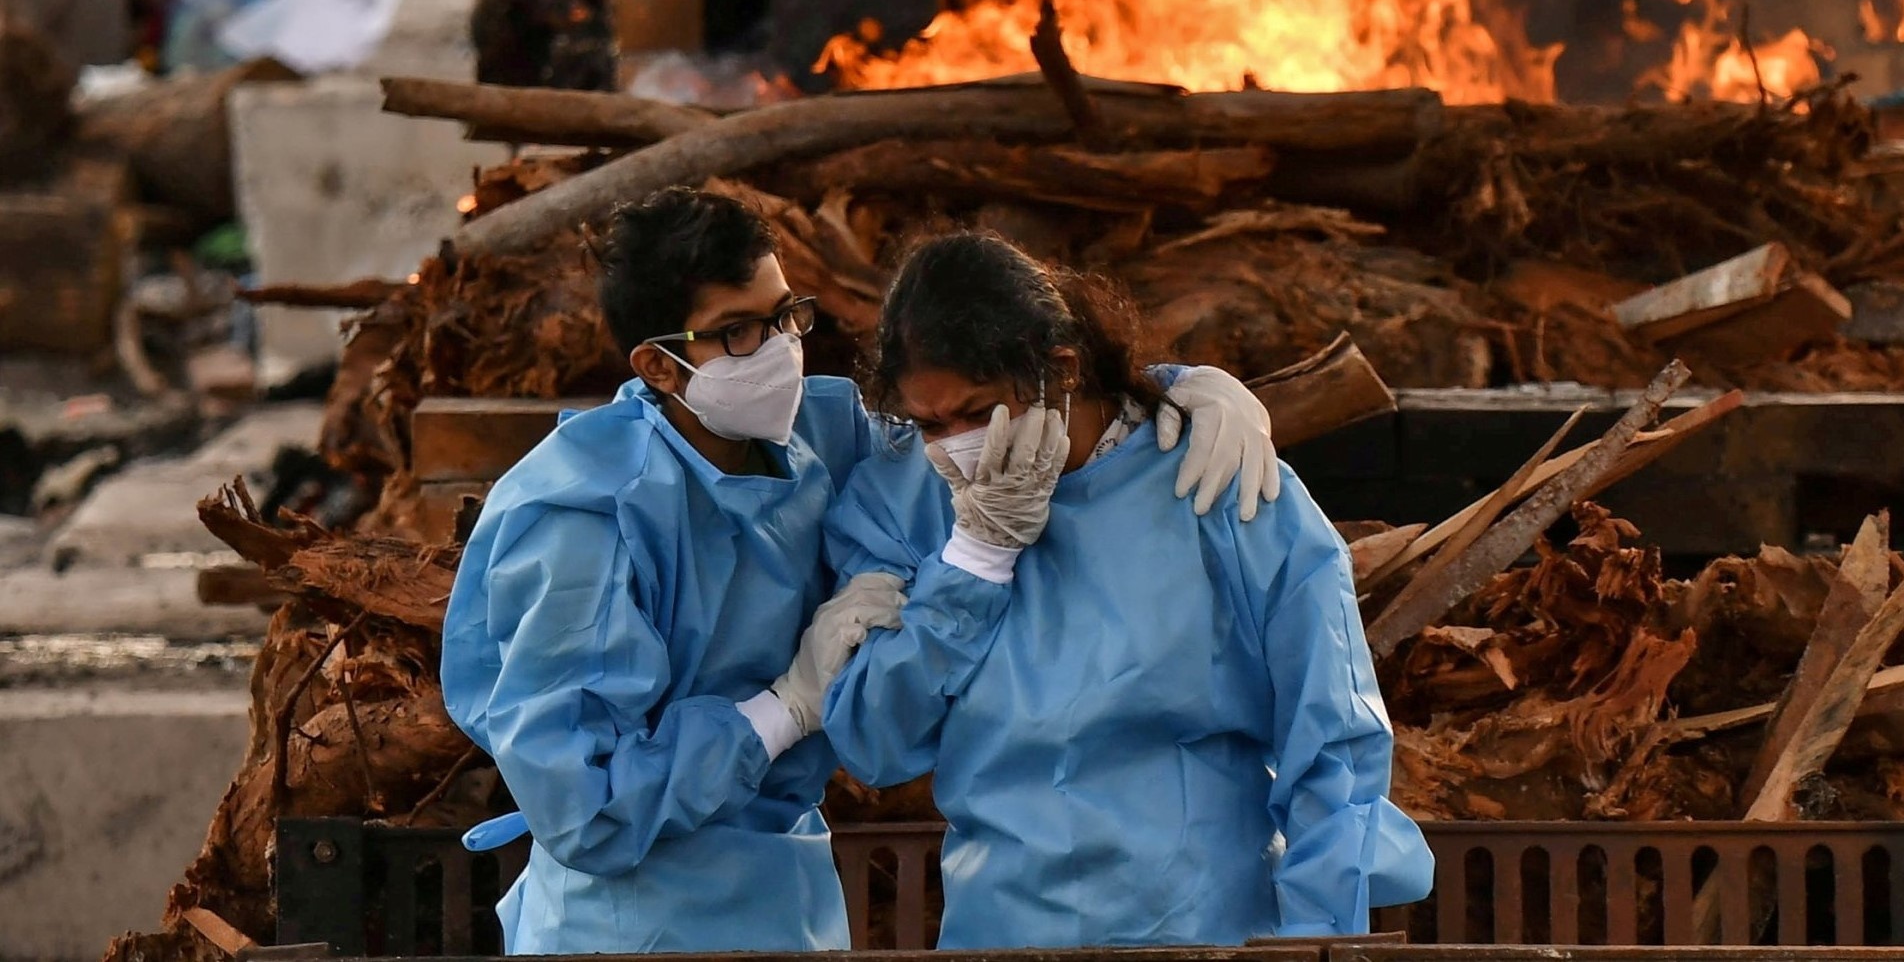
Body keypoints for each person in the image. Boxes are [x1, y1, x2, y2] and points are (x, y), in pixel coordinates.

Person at [440, 188, 1282, 955]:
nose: (776, 351)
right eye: (738, 332)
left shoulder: (823, 429)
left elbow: (986, 409)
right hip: (626, 923)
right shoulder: (584, 521)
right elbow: (584, 813)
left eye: (785, 317)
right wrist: (781, 711)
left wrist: (1175, 388)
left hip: (791, 897)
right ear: (659, 366)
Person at [823, 231, 1434, 949]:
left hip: (1205, 928)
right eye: (931, 423)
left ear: (1063, 370)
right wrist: (972, 562)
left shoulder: (1213, 477)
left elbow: (1332, 738)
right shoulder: (902, 499)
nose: (957, 444)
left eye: (978, 411)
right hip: (1000, 931)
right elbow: (873, 740)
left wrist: (1319, 934)